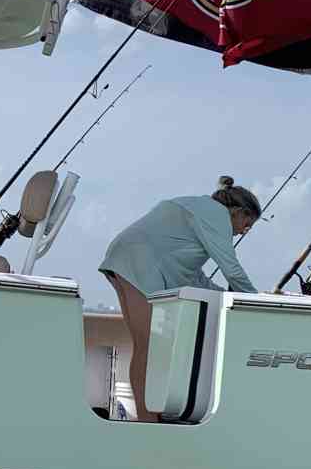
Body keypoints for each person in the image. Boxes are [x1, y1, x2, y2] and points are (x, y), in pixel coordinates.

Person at [101, 176, 261, 422]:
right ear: (237, 212)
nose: (244, 231)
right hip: (138, 264)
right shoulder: (216, 214)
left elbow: (194, 278)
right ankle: (148, 422)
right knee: (150, 348)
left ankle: (149, 416)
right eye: (247, 223)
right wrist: (256, 303)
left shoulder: (197, 210)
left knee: (145, 347)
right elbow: (231, 267)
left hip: (126, 260)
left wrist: (227, 297)